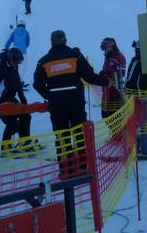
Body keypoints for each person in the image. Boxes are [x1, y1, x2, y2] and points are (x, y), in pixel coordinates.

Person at [33, 30, 108, 172]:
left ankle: (65, 170)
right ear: (65, 41)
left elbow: (37, 84)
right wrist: (106, 82)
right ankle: (82, 167)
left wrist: (50, 95)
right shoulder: (75, 56)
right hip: (76, 102)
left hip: (56, 105)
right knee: (79, 134)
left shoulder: (44, 61)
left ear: (51, 42)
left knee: (62, 136)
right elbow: (90, 76)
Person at [0, 47, 34, 155]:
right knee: (12, 124)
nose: (17, 65)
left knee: (26, 116)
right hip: (1, 101)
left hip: (10, 98)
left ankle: (25, 143)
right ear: (10, 59)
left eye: (19, 63)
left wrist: (24, 103)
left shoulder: (13, 66)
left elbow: (18, 85)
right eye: (16, 62)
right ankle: (5, 149)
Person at [126, 40, 147, 154]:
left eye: (136, 49)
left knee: (133, 122)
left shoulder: (137, 61)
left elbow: (130, 78)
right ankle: (145, 150)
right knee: (145, 123)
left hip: (137, 97)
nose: (135, 51)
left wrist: (126, 89)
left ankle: (133, 149)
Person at [100, 37, 127, 118]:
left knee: (115, 115)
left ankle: (118, 126)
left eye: (105, 48)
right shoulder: (107, 57)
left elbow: (122, 72)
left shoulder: (119, 56)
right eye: (103, 49)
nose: (104, 50)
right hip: (106, 90)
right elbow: (106, 69)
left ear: (111, 46)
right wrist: (103, 74)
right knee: (105, 115)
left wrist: (108, 73)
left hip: (115, 91)